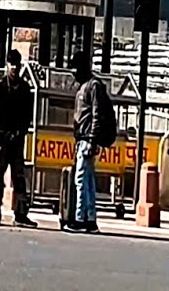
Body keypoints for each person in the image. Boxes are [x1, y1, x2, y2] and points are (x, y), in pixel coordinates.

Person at [65, 49, 115, 234]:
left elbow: (96, 114)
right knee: (88, 180)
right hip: (84, 139)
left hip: (87, 139)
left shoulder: (92, 86)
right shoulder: (87, 86)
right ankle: (90, 218)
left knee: (81, 180)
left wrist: (93, 139)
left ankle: (80, 218)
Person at [0, 49, 37, 228]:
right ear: (7, 65)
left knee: (19, 177)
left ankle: (20, 214)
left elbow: (27, 115)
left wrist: (20, 132)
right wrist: (5, 134)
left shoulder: (25, 89)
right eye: (12, 65)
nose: (15, 68)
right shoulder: (1, 88)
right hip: (2, 141)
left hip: (17, 141)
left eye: (17, 65)